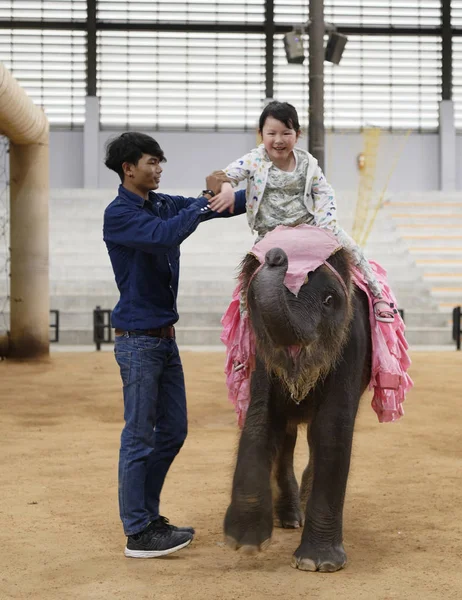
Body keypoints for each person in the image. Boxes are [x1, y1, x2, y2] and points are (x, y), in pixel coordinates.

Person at [103, 132, 246, 559]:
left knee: (172, 432)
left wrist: (250, 184)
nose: (159, 168)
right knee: (139, 436)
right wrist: (206, 197)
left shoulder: (161, 203)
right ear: (129, 168)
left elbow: (219, 208)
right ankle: (138, 531)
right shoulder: (120, 215)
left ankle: (148, 517)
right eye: (152, 162)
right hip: (138, 343)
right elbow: (167, 235)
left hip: (163, 340)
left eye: (161, 161)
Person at [209, 100, 395, 322]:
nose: (278, 140)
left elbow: (324, 191)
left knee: (353, 250)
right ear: (261, 134)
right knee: (245, 290)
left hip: (310, 229)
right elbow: (219, 176)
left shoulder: (308, 164)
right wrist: (227, 187)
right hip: (270, 235)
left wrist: (326, 225)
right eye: (272, 133)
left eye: (286, 133)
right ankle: (245, 348)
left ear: (297, 134)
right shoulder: (254, 159)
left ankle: (377, 295)